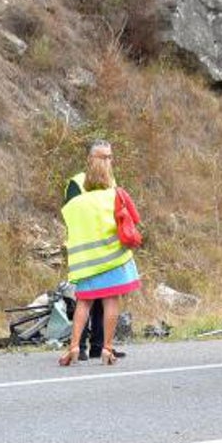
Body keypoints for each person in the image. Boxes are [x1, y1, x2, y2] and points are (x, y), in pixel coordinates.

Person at [59, 153, 141, 366]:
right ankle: (106, 348)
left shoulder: (74, 205)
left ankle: (74, 346)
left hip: (85, 263)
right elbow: (134, 219)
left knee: (83, 303)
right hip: (111, 259)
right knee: (111, 302)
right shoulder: (115, 195)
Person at [63, 139, 125, 360]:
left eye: (109, 157)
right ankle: (78, 346)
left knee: (103, 298)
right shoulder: (77, 182)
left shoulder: (111, 181)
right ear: (90, 159)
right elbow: (71, 215)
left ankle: (100, 345)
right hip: (87, 250)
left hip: (107, 248)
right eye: (102, 157)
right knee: (86, 299)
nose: (107, 161)